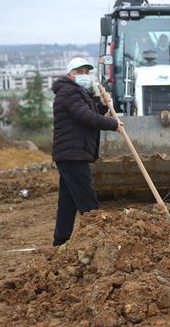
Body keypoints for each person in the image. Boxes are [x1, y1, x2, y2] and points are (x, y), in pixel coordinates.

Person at [51, 57, 122, 246]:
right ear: (70, 75)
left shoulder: (76, 92)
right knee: (88, 201)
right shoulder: (68, 92)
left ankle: (60, 241)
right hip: (73, 155)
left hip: (71, 154)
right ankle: (99, 241)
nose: (84, 75)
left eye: (86, 72)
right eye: (80, 72)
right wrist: (113, 124)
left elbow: (90, 112)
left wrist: (102, 105)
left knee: (68, 203)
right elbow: (85, 117)